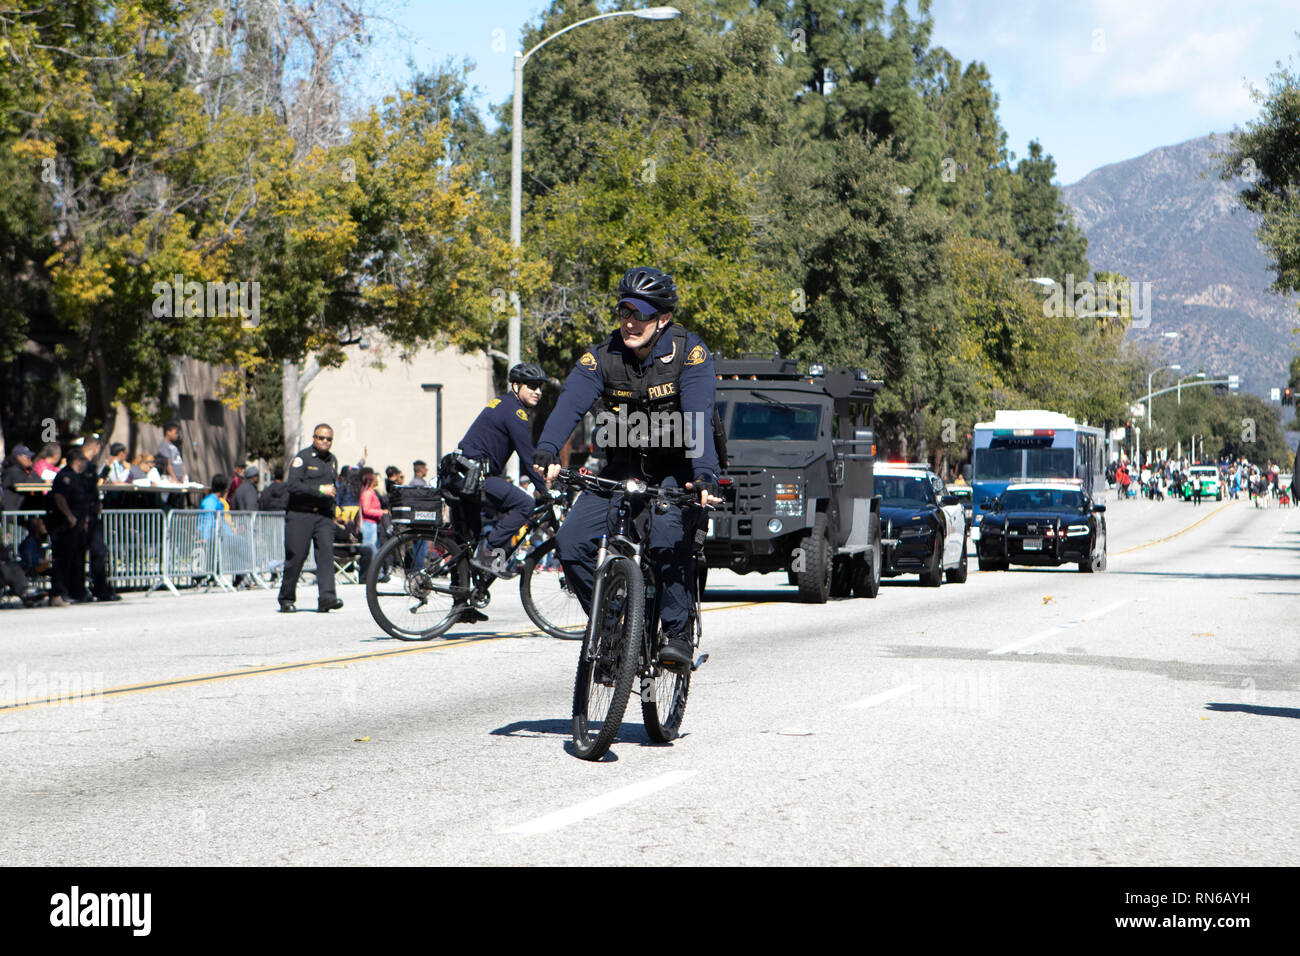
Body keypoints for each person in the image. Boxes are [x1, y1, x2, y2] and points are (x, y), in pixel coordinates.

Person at [532, 266, 723, 671]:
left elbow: (698, 417)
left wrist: (704, 475)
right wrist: (547, 449)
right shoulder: (604, 356)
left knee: (668, 538)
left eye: (640, 314)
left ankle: (677, 633)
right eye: (624, 312)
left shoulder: (690, 353)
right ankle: (614, 624)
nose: (630, 322)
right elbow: (570, 402)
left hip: (678, 468)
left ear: (663, 318)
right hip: (622, 466)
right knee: (571, 543)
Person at [452, 362, 548, 578]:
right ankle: (489, 553)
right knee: (525, 503)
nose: (538, 392)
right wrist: (545, 488)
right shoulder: (516, 413)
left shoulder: (500, 404)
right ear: (516, 386)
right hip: (475, 477)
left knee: (467, 544)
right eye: (532, 386)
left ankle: (463, 605)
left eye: (540, 387)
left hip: (460, 475)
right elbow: (528, 456)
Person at [278, 423, 342, 613]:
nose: (325, 441)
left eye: (329, 439)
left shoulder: (332, 460)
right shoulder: (302, 458)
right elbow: (293, 486)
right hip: (300, 514)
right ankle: (286, 598)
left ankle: (327, 598)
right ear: (314, 438)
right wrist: (320, 490)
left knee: (326, 556)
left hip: (323, 516)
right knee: (296, 557)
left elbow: (333, 488)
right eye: (321, 438)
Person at [44, 446, 92, 606]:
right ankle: (58, 594)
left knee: (76, 559)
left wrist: (84, 520)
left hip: (77, 524)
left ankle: (76, 592)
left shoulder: (80, 477)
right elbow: (59, 497)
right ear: (77, 460)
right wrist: (69, 516)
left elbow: (83, 500)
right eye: (83, 460)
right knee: (62, 560)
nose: (86, 463)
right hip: (64, 524)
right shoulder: (65, 476)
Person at [76, 434, 119, 602]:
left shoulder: (89, 467)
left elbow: (95, 486)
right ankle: (85, 589)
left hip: (91, 514)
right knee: (86, 553)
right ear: (95, 447)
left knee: (98, 552)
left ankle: (99, 588)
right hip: (84, 516)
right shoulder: (81, 466)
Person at [357, 466, 383, 579]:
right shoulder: (367, 493)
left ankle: (376, 575)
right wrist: (381, 512)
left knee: (374, 550)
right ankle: (370, 575)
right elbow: (366, 510)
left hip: (372, 524)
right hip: (368, 524)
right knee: (370, 551)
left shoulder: (372, 492)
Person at [3, 445, 35, 511]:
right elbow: (26, 483)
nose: (30, 459)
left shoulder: (22, 471)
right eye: (27, 457)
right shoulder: (13, 471)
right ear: (19, 457)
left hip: (18, 511)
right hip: (12, 512)